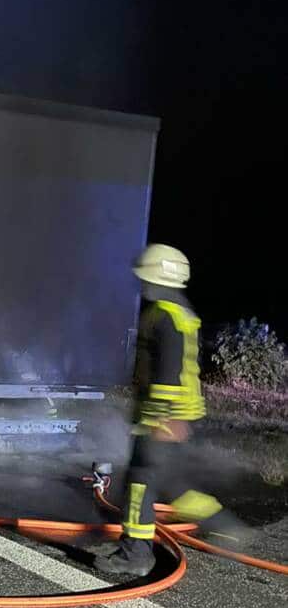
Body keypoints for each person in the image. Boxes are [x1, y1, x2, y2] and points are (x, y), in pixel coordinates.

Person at [99, 243, 246, 578]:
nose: (142, 284)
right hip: (170, 416)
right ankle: (224, 525)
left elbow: (168, 372)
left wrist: (162, 417)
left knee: (139, 485)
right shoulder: (179, 310)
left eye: (146, 277)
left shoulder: (166, 315)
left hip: (163, 417)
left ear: (159, 278)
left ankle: (134, 555)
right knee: (171, 484)